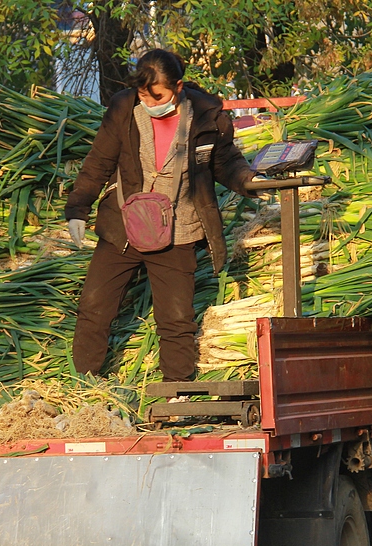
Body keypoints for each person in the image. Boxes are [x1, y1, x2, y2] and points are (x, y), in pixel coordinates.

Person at [65, 49, 256, 382]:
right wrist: (77, 208)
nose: (150, 103)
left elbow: (225, 163)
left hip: (179, 228)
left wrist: (249, 181)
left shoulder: (207, 116)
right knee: (94, 308)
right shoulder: (124, 108)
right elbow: (99, 161)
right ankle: (84, 387)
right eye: (143, 95)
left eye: (157, 96)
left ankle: (177, 394)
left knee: (177, 318)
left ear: (178, 87)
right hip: (124, 226)